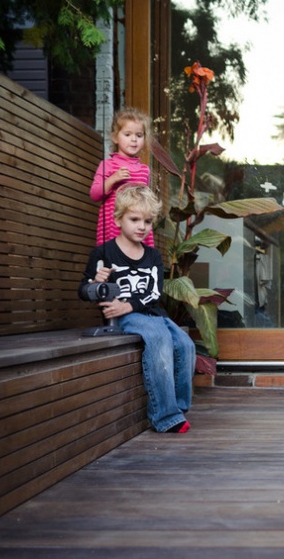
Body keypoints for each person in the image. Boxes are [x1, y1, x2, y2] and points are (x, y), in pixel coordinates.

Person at [79, 185, 195, 433]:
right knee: (159, 339)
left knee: (186, 344)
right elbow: (83, 291)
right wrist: (95, 283)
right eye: (134, 219)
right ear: (118, 219)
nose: (142, 226)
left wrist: (128, 304)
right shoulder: (103, 253)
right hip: (128, 319)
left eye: (148, 221)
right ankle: (166, 417)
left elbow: (154, 292)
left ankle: (179, 407)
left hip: (151, 313)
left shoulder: (152, 256)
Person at [90, 107, 154, 247]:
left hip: (138, 225)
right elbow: (94, 194)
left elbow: (147, 203)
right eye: (127, 134)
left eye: (139, 135)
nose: (133, 140)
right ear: (115, 137)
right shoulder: (108, 165)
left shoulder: (144, 170)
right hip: (114, 226)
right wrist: (113, 179)